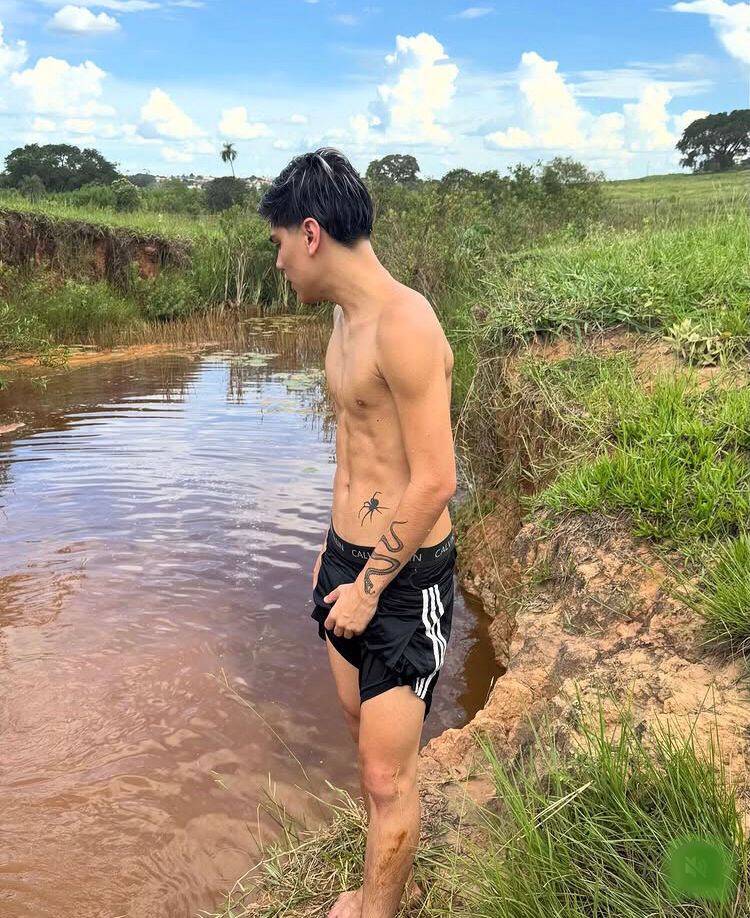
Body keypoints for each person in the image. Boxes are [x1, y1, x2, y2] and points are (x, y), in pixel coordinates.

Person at [258, 147, 457, 918]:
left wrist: (370, 587)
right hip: (345, 561)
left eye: (279, 243)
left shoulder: (406, 323)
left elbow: (434, 478)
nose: (279, 263)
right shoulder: (343, 322)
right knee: (359, 734)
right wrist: (328, 549)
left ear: (310, 233)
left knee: (384, 775)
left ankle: (379, 909)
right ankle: (386, 874)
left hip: (401, 579)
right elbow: (357, 455)